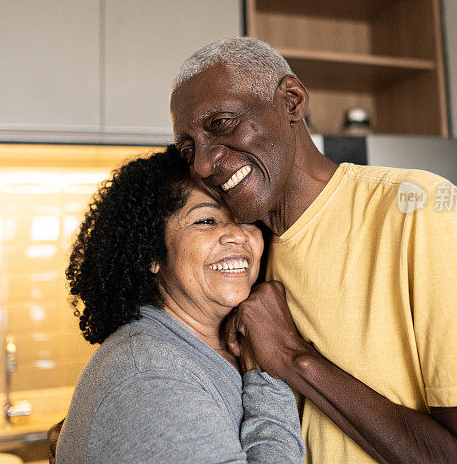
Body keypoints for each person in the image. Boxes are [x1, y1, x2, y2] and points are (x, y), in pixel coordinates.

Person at [170, 37, 457, 463]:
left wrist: (295, 359)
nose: (202, 164)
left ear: (291, 101)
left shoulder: (413, 207)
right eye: (189, 149)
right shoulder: (244, 254)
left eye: (221, 123)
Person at [55, 146, 305, 464]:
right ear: (152, 254)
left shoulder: (210, 345)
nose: (236, 236)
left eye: (244, 220)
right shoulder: (148, 375)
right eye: (205, 221)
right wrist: (266, 374)